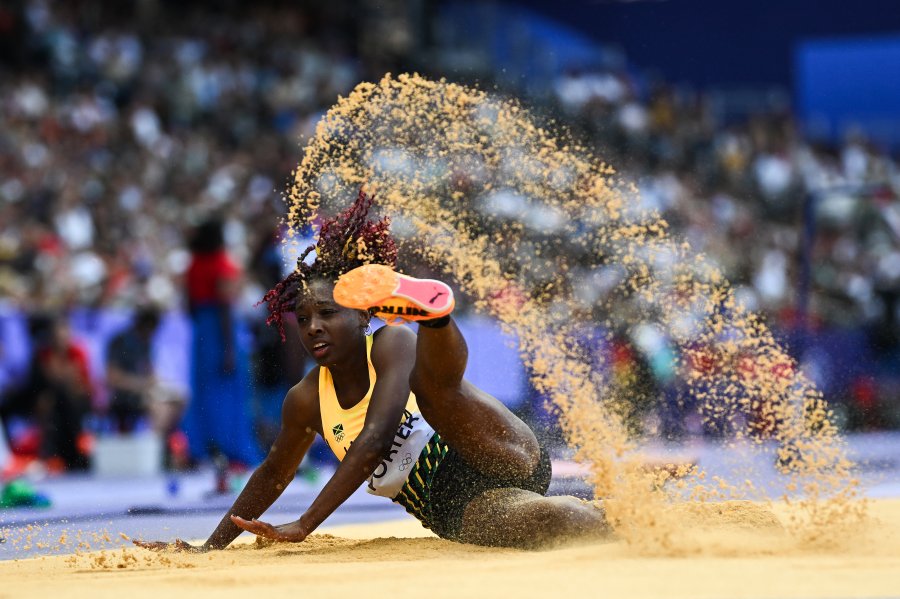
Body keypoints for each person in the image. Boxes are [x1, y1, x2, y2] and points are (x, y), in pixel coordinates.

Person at [136, 191, 608, 551]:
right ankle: (626, 520)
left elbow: (377, 436)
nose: (313, 328)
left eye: (327, 314)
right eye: (303, 320)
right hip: (454, 504)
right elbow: (272, 474)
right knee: (561, 523)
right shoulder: (305, 399)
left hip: (494, 447)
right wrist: (211, 546)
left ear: (363, 315)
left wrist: (305, 523)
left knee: (428, 387)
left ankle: (436, 316)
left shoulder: (390, 342)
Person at [181, 218, 262, 466]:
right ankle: (234, 449)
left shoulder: (193, 265)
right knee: (230, 394)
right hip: (221, 333)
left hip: (201, 334)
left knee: (204, 393)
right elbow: (226, 307)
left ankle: (204, 448)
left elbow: (189, 306)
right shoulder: (222, 263)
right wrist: (228, 348)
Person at [105, 305, 184, 436]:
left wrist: (157, 382)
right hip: (124, 396)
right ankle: (154, 448)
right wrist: (141, 384)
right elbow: (112, 378)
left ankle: (164, 444)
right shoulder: (119, 342)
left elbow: (149, 371)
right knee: (159, 409)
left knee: (179, 400)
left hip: (143, 393)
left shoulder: (146, 344)